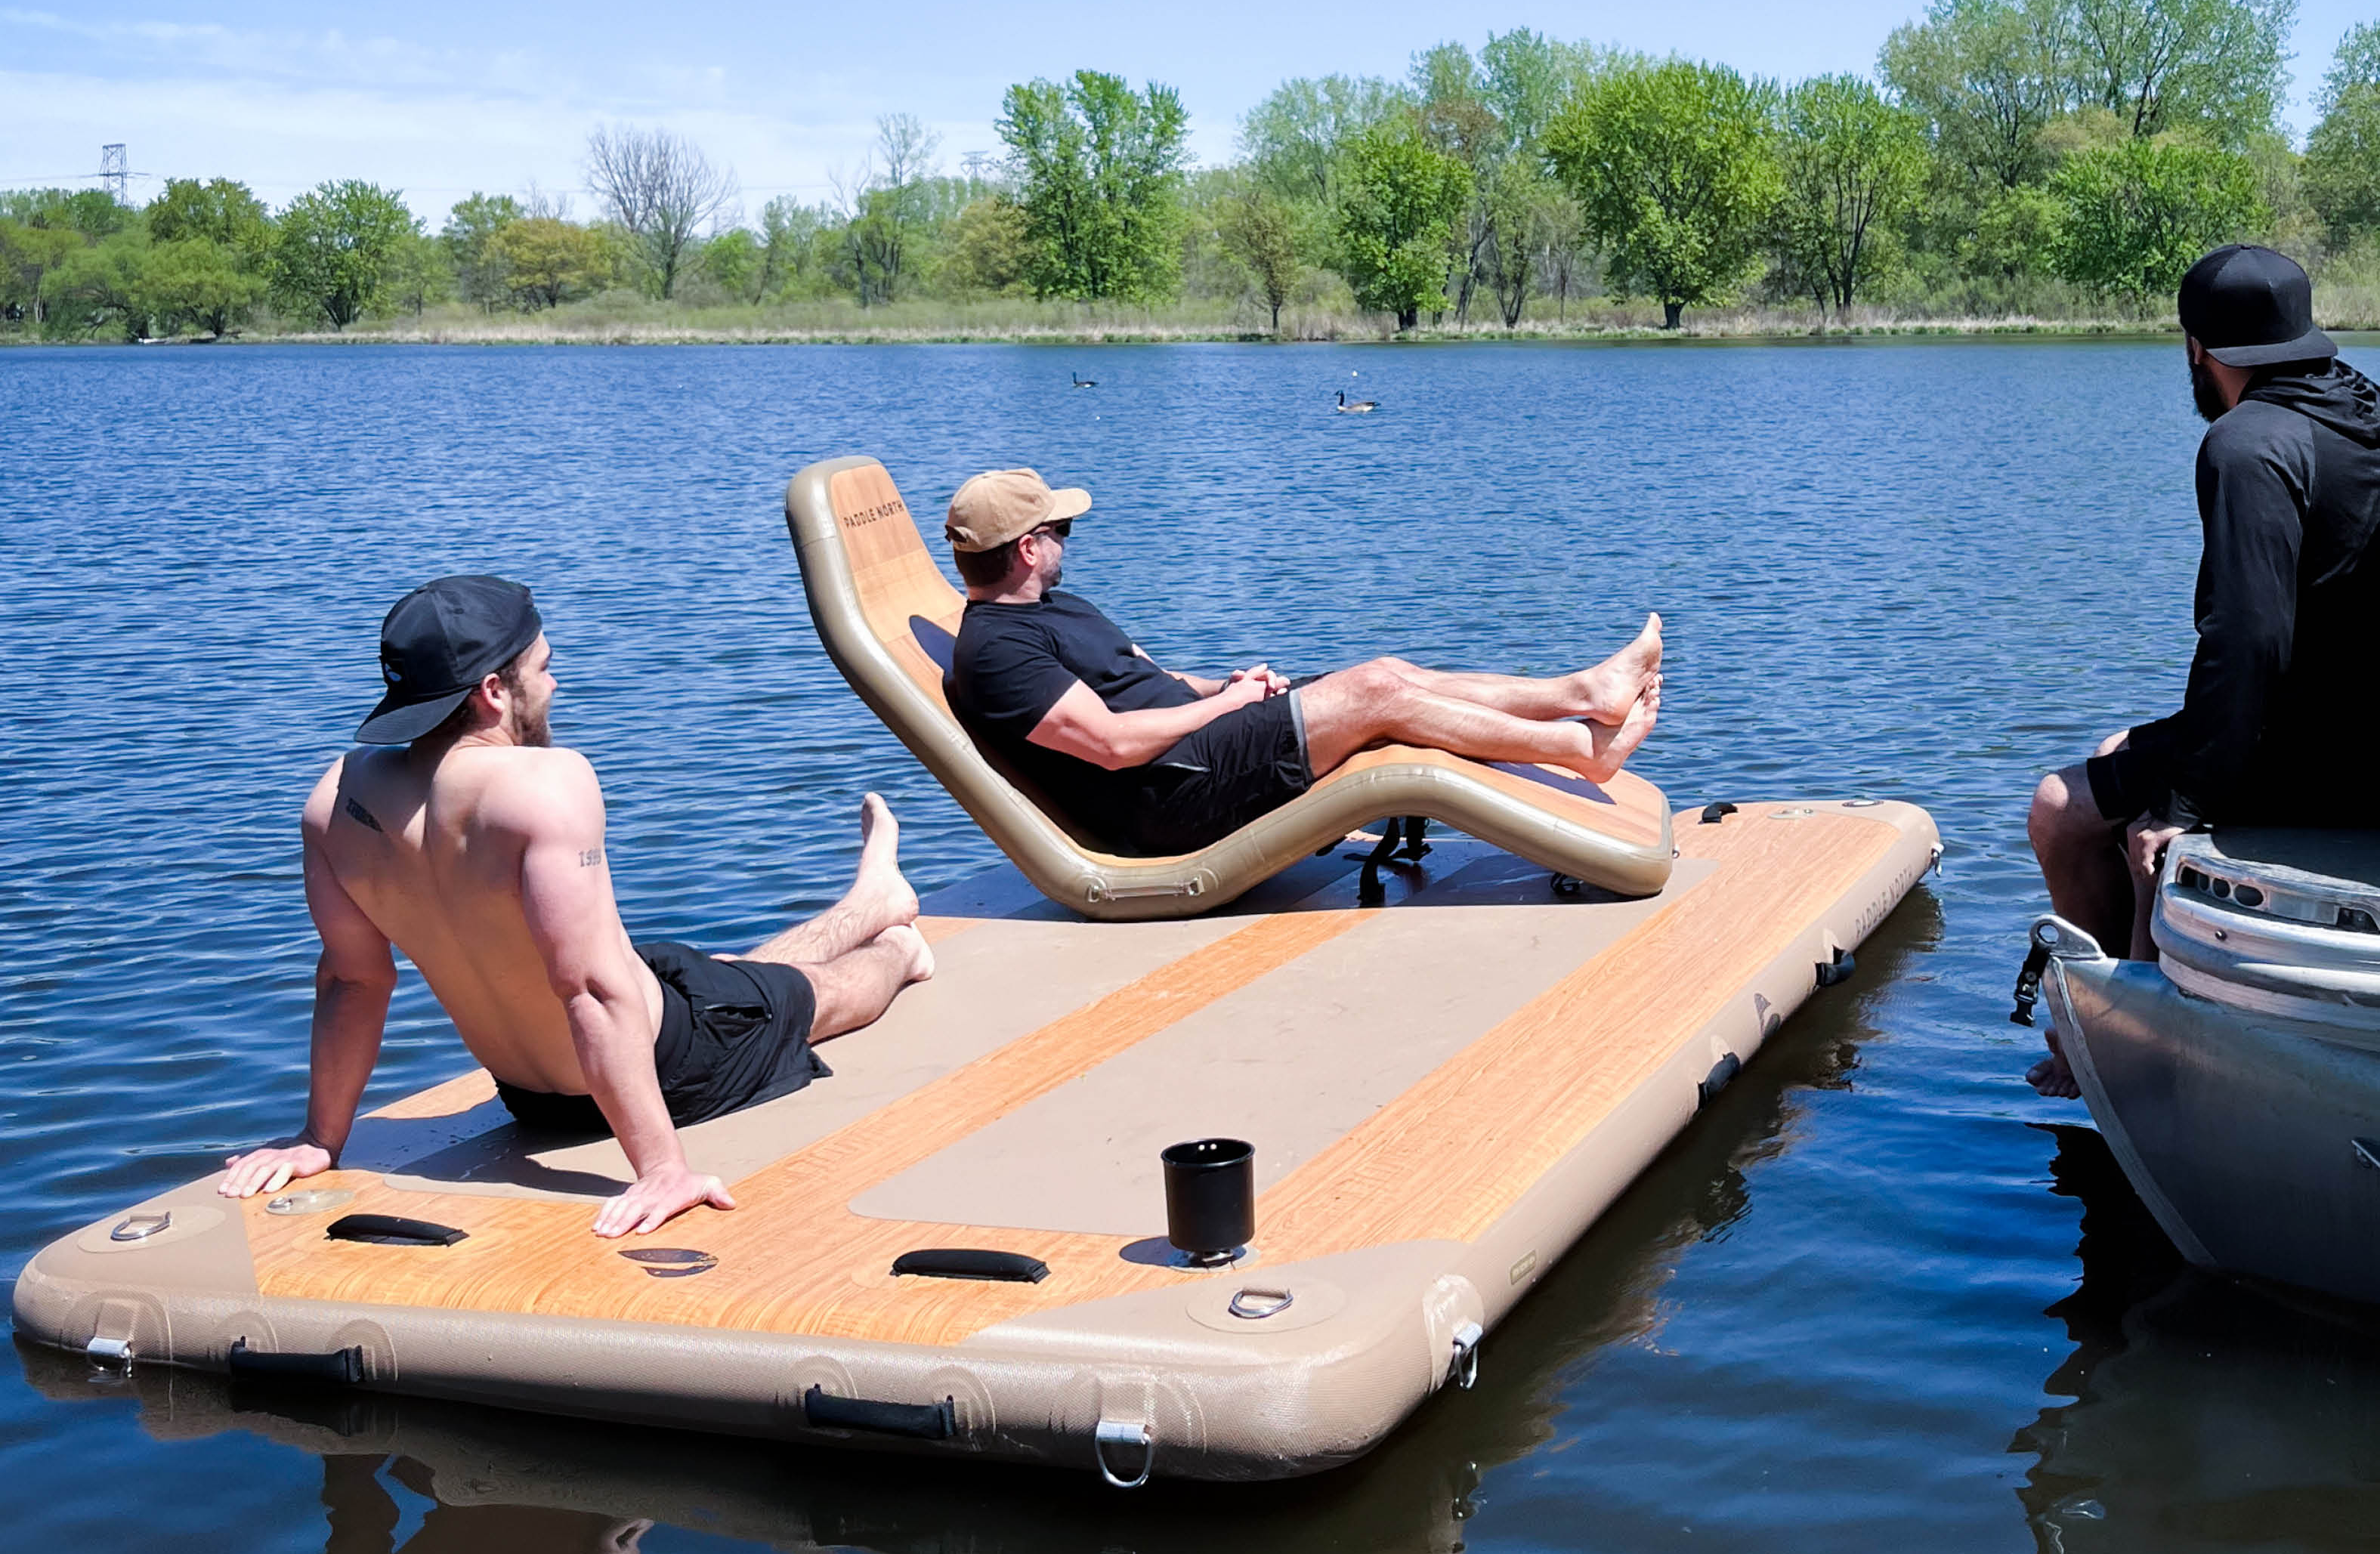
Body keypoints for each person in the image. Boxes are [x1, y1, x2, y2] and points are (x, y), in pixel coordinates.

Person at [218, 573, 932, 1238]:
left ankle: (871, 898)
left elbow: (353, 980)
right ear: (494, 691)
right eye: (544, 667)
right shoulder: (542, 784)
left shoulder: (334, 798)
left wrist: (321, 1139)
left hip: (528, 1092)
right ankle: (896, 938)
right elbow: (587, 988)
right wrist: (662, 1170)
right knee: (814, 998)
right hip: (668, 1064)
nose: (554, 683)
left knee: (716, 978)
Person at [941, 466, 1661, 860]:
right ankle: (1579, 751)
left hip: (1197, 748)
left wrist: (1226, 684)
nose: (1070, 538)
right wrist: (1227, 708)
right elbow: (1111, 743)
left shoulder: (1047, 609)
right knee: (1377, 693)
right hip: (1172, 796)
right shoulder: (997, 651)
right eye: (1059, 529)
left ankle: (1584, 691)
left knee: (1392, 674)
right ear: (1029, 548)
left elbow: (1145, 683)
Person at [2028, 245, 2380, 1020]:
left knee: (2059, 808)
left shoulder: (2248, 443)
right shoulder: (2360, 410)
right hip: (2354, 724)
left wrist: (2184, 803)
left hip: (2327, 757)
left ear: (2198, 347)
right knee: (2116, 750)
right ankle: (2129, 976)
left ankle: (2108, 1031)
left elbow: (2249, 639)